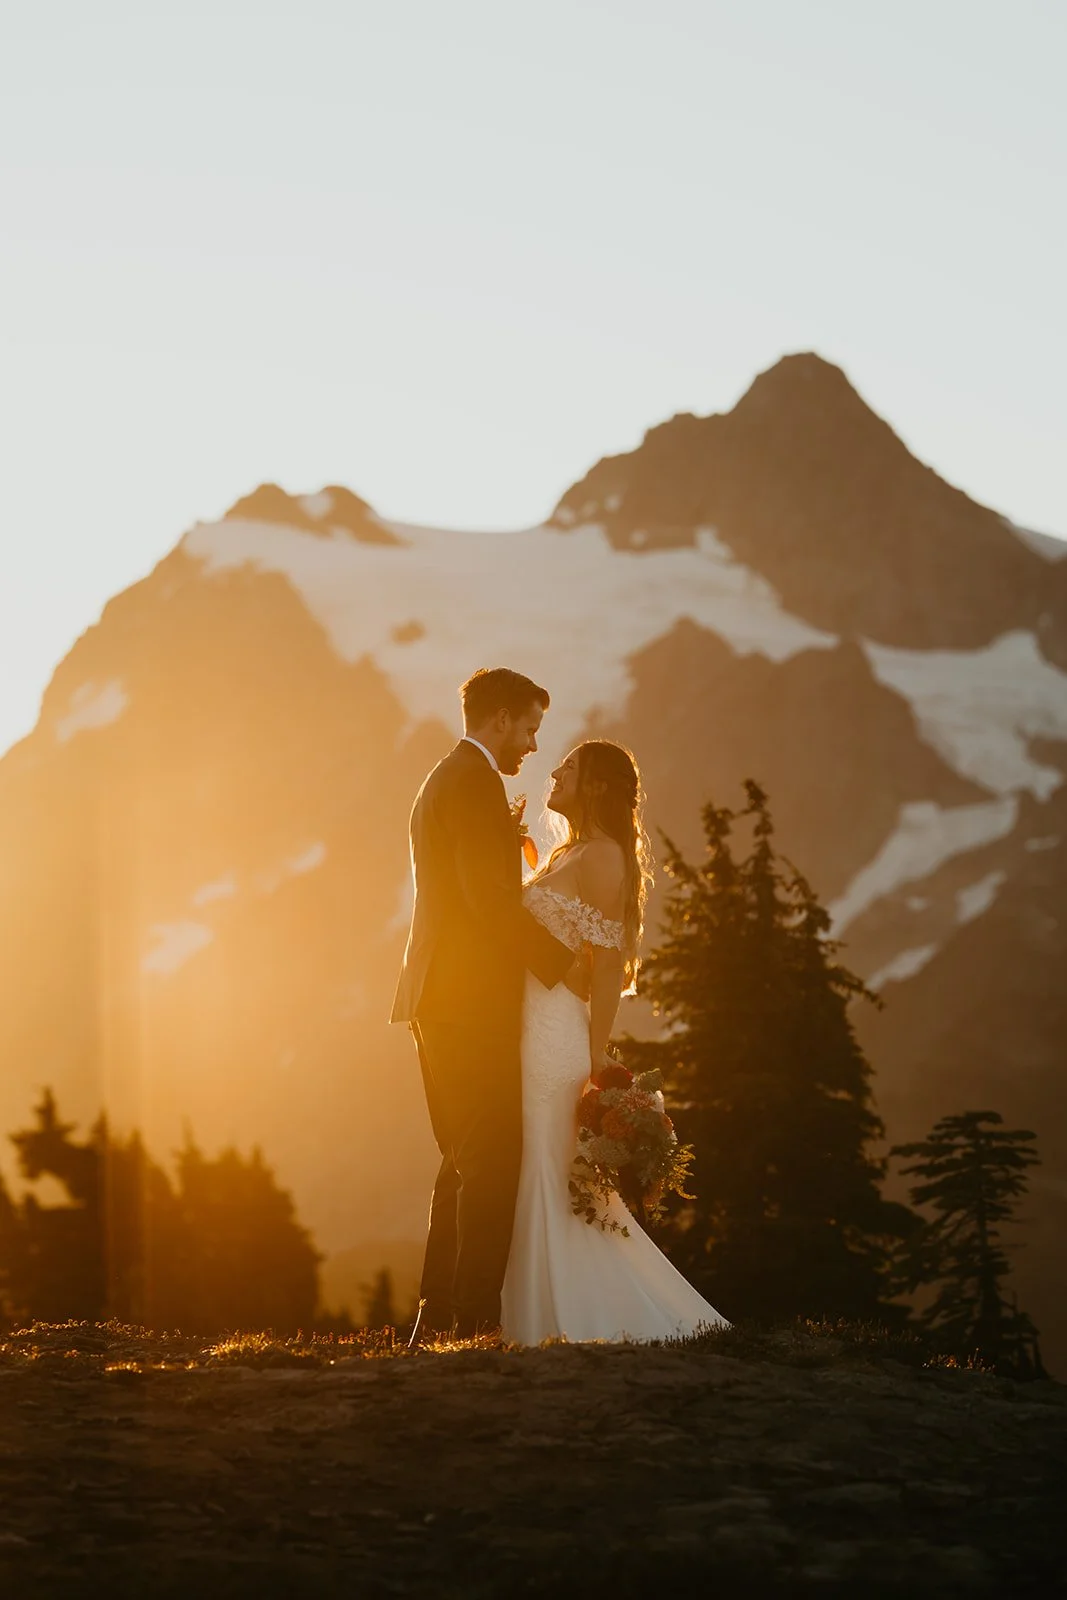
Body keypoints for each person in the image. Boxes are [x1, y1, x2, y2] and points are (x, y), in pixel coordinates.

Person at [500, 739, 728, 1342]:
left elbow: (605, 965)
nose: (555, 771)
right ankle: (532, 1313)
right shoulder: (570, 850)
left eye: (569, 767)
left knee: (550, 1169)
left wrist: (597, 1055)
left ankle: (572, 1317)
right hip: (530, 1018)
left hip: (554, 1034)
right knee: (537, 1163)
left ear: (597, 785)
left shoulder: (604, 857)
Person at [391, 667, 582, 1342]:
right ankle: (473, 1324)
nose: (531, 744)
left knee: (463, 1160)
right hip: (465, 1002)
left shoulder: (447, 778)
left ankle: (435, 1317)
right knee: (493, 1158)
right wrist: (567, 968)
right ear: (498, 718)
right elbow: (488, 901)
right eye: (528, 727)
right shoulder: (470, 782)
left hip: (437, 995)